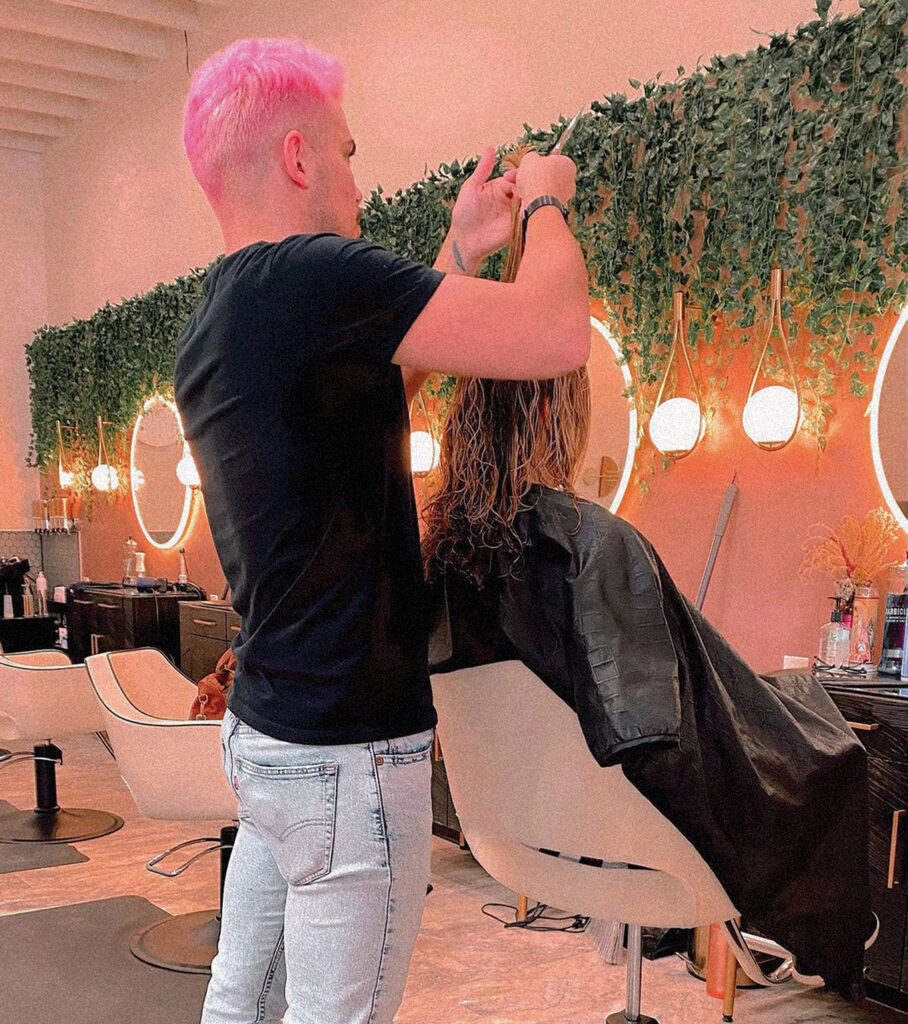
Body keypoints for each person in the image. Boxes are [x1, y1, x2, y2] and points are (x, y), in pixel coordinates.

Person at [174, 36, 589, 1024]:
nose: (357, 179)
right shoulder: (314, 276)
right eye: (348, 151)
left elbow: (365, 397)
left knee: (241, 1000)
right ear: (297, 156)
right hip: (346, 749)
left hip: (270, 735)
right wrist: (546, 199)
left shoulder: (220, 318)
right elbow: (552, 332)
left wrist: (460, 253)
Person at [423, 371, 875, 1001]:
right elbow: (654, 735)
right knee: (839, 753)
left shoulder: (441, 554)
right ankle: (827, 935)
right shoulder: (591, 542)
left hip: (516, 838)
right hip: (652, 842)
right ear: (554, 410)